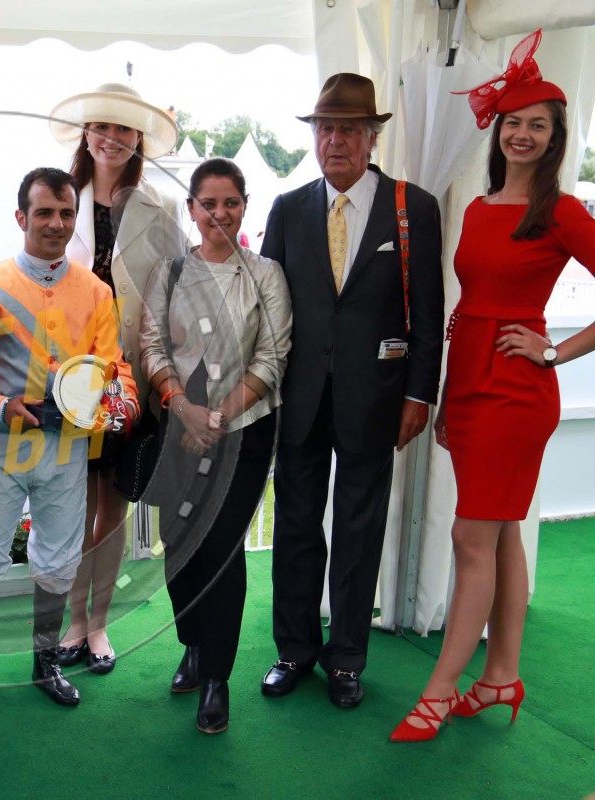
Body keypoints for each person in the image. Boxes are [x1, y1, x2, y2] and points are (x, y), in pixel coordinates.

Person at [390, 31, 595, 742]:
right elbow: (466, 309)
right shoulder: (478, 209)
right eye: (513, 122)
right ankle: (500, 676)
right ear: (499, 129)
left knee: (470, 535)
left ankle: (439, 691)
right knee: (501, 532)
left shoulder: (562, 211)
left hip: (516, 390)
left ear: (556, 137)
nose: (522, 134)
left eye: (538, 124)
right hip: (470, 381)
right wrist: (449, 397)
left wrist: (555, 351)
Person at [259, 73, 445, 708]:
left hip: (377, 397)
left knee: (360, 529)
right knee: (296, 523)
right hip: (298, 398)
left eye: (347, 130)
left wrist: (419, 395)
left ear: (371, 138)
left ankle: (346, 660)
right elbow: (267, 310)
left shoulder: (413, 208)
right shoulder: (287, 209)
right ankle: (294, 650)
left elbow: (428, 310)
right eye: (324, 129)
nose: (334, 141)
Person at [0, 167, 139, 714]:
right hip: (1, 447)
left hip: (67, 447)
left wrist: (122, 404)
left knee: (58, 563)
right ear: (21, 218)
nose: (56, 224)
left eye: (66, 214)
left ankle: (46, 662)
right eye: (44, 213)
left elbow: (112, 368)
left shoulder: (96, 291)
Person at [139, 158, 291, 733]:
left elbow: (272, 357)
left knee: (222, 548)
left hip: (243, 430)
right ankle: (194, 644)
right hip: (177, 428)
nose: (219, 213)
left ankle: (216, 679)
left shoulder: (266, 275)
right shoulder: (170, 273)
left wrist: (219, 416)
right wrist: (183, 408)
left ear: (245, 206)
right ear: (192, 209)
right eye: (209, 203)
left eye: (231, 202)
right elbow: (151, 345)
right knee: (179, 545)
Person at [48, 83, 184, 674]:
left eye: (123, 128)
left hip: (132, 380)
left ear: (139, 138)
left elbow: (175, 290)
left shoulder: (161, 206)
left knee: (114, 506)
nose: (111, 138)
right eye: (101, 126)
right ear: (85, 134)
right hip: (67, 381)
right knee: (73, 510)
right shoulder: (58, 197)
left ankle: (98, 624)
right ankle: (73, 622)